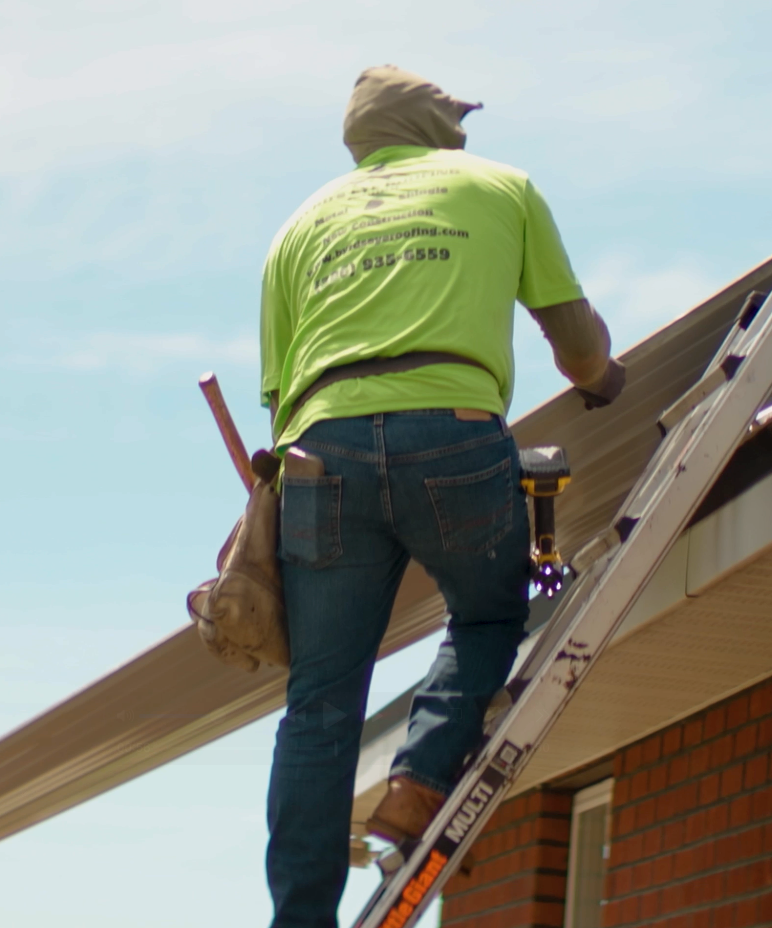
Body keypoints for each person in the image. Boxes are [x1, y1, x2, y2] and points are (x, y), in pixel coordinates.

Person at [258, 65, 627, 927]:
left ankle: (298, 919)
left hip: (320, 454)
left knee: (319, 703)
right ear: (436, 126)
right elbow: (575, 342)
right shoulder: (501, 186)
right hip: (452, 434)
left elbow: (277, 400)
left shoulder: (297, 227)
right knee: (492, 615)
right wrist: (605, 381)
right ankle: (417, 783)